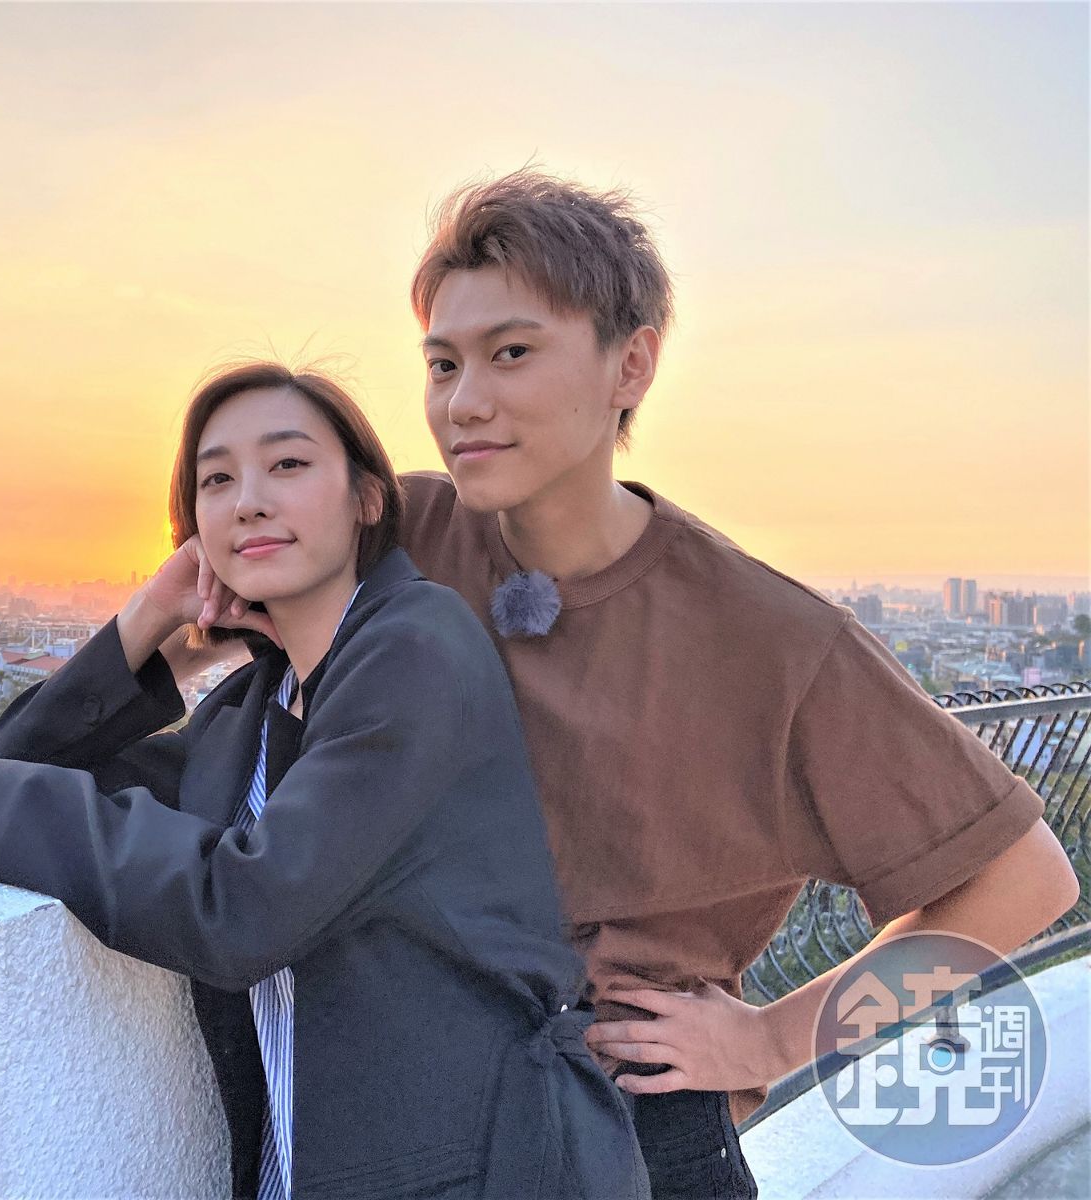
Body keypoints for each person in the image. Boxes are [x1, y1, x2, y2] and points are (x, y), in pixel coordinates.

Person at [189, 171, 1079, 1199]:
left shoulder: (768, 637)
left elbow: (1025, 880)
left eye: (511, 353)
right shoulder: (406, 531)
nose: (463, 402)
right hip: (391, 1112)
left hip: (626, 1134)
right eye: (442, 364)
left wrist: (771, 1039)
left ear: (632, 363)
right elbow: (216, 616)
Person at [0, 361, 653, 1200]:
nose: (249, 500)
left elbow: (243, 908)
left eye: (289, 464)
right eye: (216, 481)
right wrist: (152, 616)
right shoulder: (257, 708)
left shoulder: (418, 647)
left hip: (492, 1163)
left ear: (366, 498)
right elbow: (16, 765)